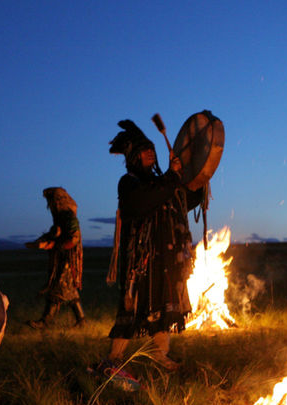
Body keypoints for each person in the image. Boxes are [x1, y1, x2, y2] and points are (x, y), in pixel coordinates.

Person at [97, 119, 205, 377]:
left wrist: (197, 176)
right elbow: (146, 200)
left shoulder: (162, 181)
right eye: (144, 150)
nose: (150, 153)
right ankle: (113, 360)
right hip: (141, 261)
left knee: (164, 305)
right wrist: (172, 176)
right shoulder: (129, 182)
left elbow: (181, 199)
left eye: (152, 150)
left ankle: (160, 355)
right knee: (132, 307)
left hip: (165, 259)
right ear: (133, 156)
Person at [26, 187, 85, 329]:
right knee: (68, 289)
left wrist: (56, 245)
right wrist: (41, 242)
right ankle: (81, 320)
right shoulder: (61, 217)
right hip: (62, 257)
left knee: (58, 286)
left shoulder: (69, 217)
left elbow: (74, 239)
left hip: (68, 259)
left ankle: (46, 321)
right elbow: (55, 234)